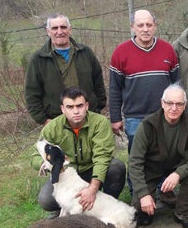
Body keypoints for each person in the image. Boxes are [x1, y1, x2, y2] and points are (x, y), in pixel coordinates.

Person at [34, 87, 125, 217]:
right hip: (66, 174)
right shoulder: (52, 127)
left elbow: (102, 157)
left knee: (116, 168)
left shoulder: (100, 123)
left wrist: (92, 189)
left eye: (80, 106)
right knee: (46, 200)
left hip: (92, 169)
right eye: (70, 107)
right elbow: (35, 155)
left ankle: (105, 208)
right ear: (62, 109)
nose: (76, 111)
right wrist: (49, 164)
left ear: (87, 106)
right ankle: (64, 208)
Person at [128, 84, 188, 228]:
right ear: (162, 103)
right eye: (169, 103)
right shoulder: (147, 125)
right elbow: (135, 162)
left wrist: (178, 174)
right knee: (141, 214)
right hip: (152, 168)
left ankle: (182, 212)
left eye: (179, 104)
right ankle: (150, 200)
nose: (174, 108)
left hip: (179, 165)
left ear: (185, 105)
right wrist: (143, 195)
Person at [109, 9, 179, 150]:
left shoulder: (168, 49)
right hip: (135, 117)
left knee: (166, 155)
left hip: (164, 115)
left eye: (149, 25)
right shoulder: (120, 52)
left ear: (155, 26)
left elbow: (177, 84)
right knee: (137, 158)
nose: (145, 29)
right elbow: (115, 88)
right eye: (140, 25)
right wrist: (115, 118)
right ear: (132, 27)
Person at [25, 13, 106, 126]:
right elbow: (31, 94)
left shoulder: (85, 53)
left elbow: (98, 83)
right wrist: (44, 120)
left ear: (70, 29)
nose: (59, 32)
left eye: (63, 27)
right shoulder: (38, 59)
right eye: (55, 28)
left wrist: (98, 108)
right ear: (48, 31)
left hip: (89, 119)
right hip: (56, 121)